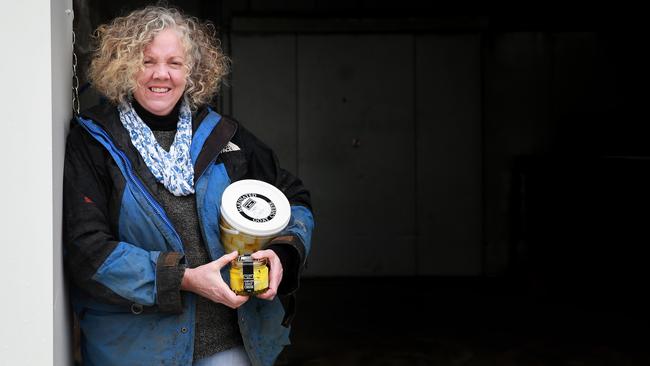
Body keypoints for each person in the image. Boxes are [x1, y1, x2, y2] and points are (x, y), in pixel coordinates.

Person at [63, 6, 314, 366]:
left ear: (192, 72)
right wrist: (184, 278)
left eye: (174, 63)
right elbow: (90, 253)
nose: (160, 74)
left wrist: (282, 254)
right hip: (136, 351)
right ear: (122, 66)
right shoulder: (95, 142)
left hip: (228, 348)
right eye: (146, 61)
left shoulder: (225, 135)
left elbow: (295, 200)